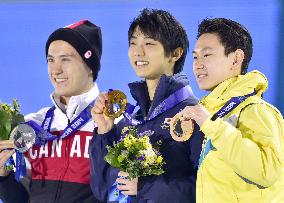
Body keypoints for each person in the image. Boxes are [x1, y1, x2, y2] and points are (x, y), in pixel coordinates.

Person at [90, 8, 203, 202]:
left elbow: (207, 189)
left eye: (149, 43)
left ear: (175, 53)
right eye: (133, 43)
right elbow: (102, 191)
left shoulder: (194, 114)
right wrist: (104, 132)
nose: (138, 51)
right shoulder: (129, 120)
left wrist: (145, 186)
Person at [179, 17, 284, 202]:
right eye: (195, 57)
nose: (198, 64)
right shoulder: (213, 114)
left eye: (207, 55)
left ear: (236, 58)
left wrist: (213, 126)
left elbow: (267, 172)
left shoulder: (256, 111)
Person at [0, 19, 102, 203]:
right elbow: (21, 199)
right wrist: (3, 176)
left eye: (65, 59)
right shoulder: (33, 126)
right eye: (50, 59)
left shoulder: (112, 124)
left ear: (89, 65)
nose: (55, 70)